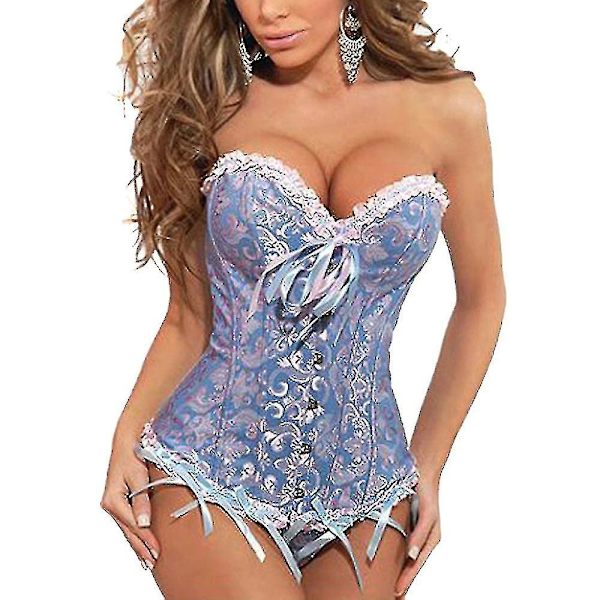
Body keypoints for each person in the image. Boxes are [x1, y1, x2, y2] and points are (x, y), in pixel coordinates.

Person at [100, 1, 505, 598]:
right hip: (207, 473)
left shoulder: (449, 108)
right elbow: (189, 318)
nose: (269, 11)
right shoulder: (207, 111)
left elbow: (482, 299)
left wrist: (428, 464)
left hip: (370, 490)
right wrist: (124, 436)